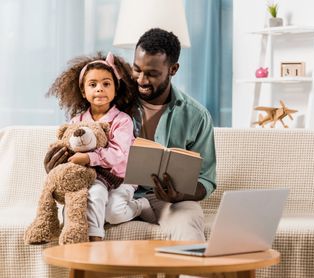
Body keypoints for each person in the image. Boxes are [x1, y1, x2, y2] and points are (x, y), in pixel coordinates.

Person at [45, 28, 217, 241]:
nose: (141, 80)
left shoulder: (195, 115)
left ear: (173, 69)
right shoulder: (115, 98)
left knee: (189, 227)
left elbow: (207, 180)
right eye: (137, 70)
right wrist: (57, 167)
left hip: (170, 200)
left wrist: (179, 195)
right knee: (78, 218)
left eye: (152, 73)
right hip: (110, 189)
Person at [46, 52, 155, 241]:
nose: (99, 89)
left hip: (121, 179)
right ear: (83, 91)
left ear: (115, 88)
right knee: (82, 202)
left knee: (113, 214)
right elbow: (67, 148)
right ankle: (81, 235)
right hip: (89, 179)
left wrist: (90, 158)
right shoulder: (76, 121)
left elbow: (120, 155)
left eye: (106, 84)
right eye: (93, 84)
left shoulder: (122, 121)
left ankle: (140, 205)